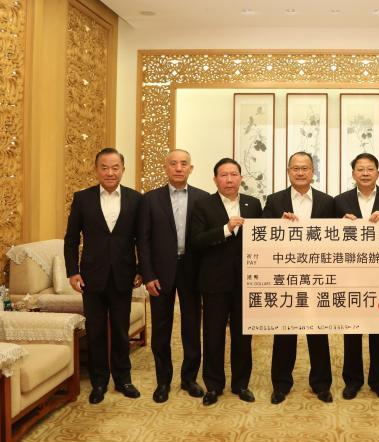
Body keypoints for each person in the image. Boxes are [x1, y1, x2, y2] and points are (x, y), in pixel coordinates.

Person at [64, 147, 143, 404]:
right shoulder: (82, 198)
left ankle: (123, 379)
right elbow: (71, 239)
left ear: (123, 169)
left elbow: (142, 239)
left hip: (123, 274)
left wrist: (141, 269)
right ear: (96, 170)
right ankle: (99, 382)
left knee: (121, 330)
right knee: (95, 331)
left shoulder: (135, 199)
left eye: (115, 167)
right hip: (92, 276)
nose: (110, 172)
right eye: (105, 168)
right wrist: (72, 272)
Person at [189, 158, 262, 406]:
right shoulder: (202, 205)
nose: (229, 180)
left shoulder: (253, 204)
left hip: (247, 281)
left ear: (241, 178)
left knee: (243, 336)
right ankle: (213, 385)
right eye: (224, 175)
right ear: (215, 179)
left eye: (234, 174)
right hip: (214, 281)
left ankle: (241, 384)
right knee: (213, 335)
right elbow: (196, 241)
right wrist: (225, 229)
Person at [137, 149, 208, 403]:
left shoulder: (203, 198)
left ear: (191, 168)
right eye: (173, 163)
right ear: (166, 167)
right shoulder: (150, 199)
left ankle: (189, 379)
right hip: (160, 273)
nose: (179, 168)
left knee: (192, 327)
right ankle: (163, 382)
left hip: (192, 271)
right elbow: (143, 241)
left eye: (183, 164)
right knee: (161, 329)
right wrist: (147, 275)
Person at [265, 151, 334, 404]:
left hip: (318, 276)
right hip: (286, 276)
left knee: (318, 332)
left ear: (313, 171)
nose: (301, 172)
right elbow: (262, 234)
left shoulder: (327, 202)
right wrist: (278, 225)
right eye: (295, 168)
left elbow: (336, 239)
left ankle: (321, 384)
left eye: (305, 168)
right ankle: (281, 384)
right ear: (288, 171)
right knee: (284, 332)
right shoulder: (275, 201)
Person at [334, 152, 379, 401]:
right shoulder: (339, 201)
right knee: (352, 330)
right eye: (360, 169)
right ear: (353, 174)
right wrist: (339, 224)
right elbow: (327, 237)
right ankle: (352, 381)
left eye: (370, 169)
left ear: (378, 173)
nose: (365, 173)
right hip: (350, 275)